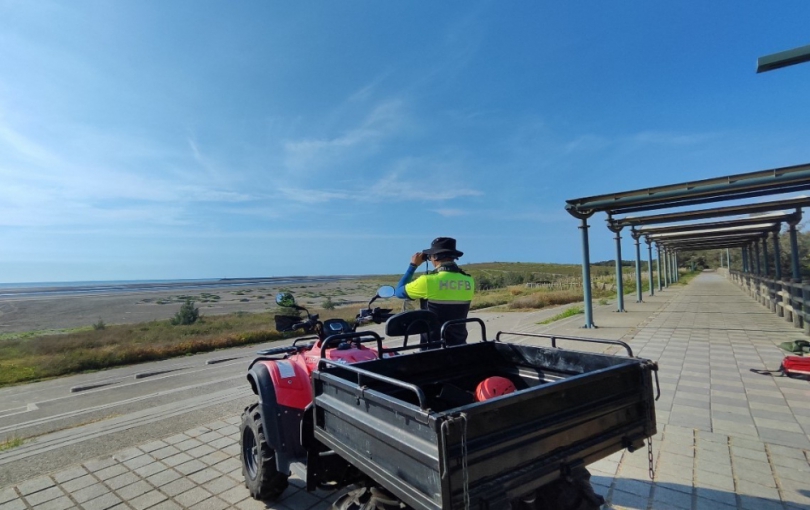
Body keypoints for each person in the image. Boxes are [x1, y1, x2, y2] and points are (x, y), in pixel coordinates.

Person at [394, 237, 475, 347]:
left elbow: (399, 292)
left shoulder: (427, 281)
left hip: (433, 347)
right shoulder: (468, 280)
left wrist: (413, 266)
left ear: (435, 257)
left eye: (430, 256)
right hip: (459, 345)